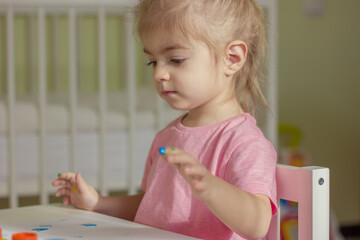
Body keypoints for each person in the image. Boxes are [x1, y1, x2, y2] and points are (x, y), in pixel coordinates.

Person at [52, 0, 278, 239]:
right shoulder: (167, 136)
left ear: (231, 58)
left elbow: (257, 224)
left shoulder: (245, 142)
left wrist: (212, 189)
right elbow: (154, 207)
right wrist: (99, 203)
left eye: (176, 59)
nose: (159, 73)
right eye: (153, 61)